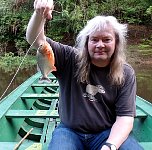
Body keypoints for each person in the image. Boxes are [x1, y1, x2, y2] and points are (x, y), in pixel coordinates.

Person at [26, 0, 143, 149]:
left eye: (107, 39)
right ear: (87, 42)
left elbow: (125, 118)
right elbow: (36, 40)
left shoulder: (126, 72)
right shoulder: (69, 58)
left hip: (107, 132)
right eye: (94, 39)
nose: (100, 45)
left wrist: (110, 146)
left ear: (116, 43)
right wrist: (39, 14)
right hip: (69, 131)